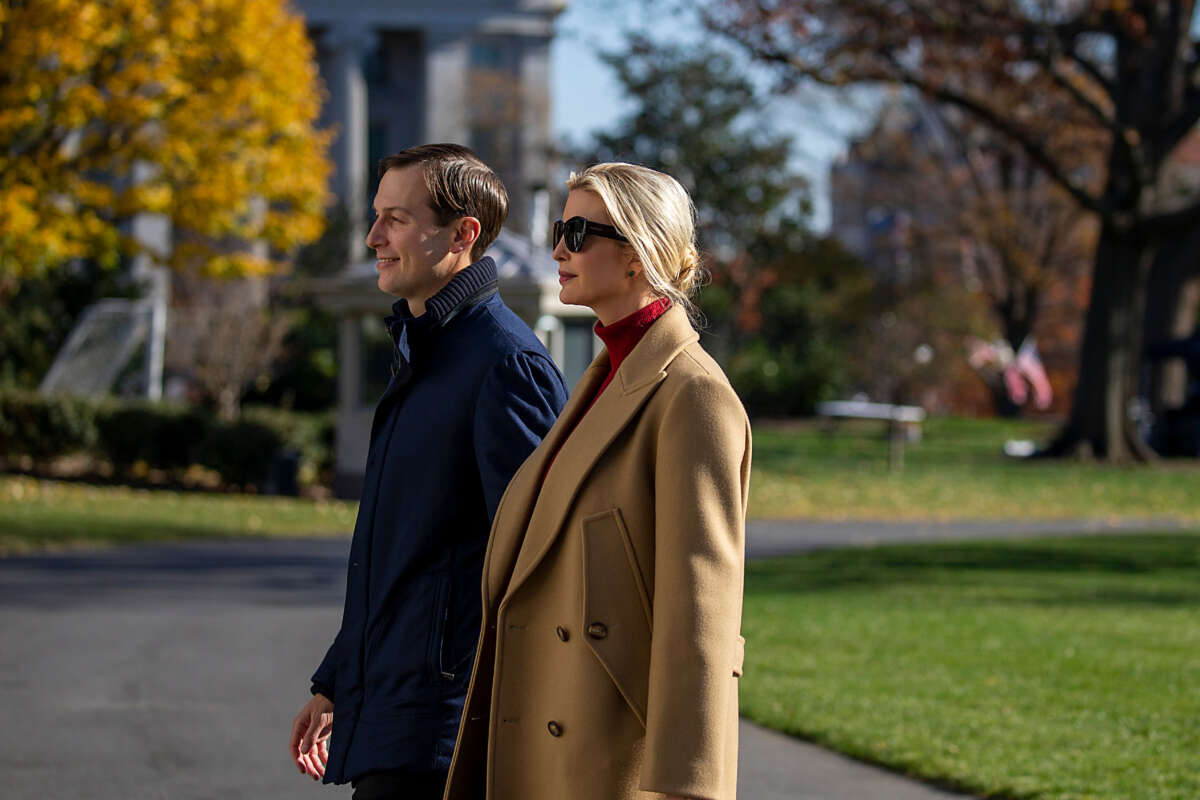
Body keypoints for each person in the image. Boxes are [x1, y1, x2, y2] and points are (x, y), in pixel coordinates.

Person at [443, 162, 752, 800]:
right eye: (560, 228)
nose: (558, 248)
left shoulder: (693, 396)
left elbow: (701, 613)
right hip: (549, 727)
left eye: (579, 233)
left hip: (611, 759)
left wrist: (685, 784)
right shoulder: (603, 373)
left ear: (638, 253)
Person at [288, 144, 568, 799]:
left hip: (445, 733)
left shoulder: (504, 367)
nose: (373, 237)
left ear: (463, 233)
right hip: (391, 713)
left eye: (397, 218)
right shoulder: (421, 355)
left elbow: (540, 565)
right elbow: (403, 560)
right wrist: (336, 681)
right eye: (377, 216)